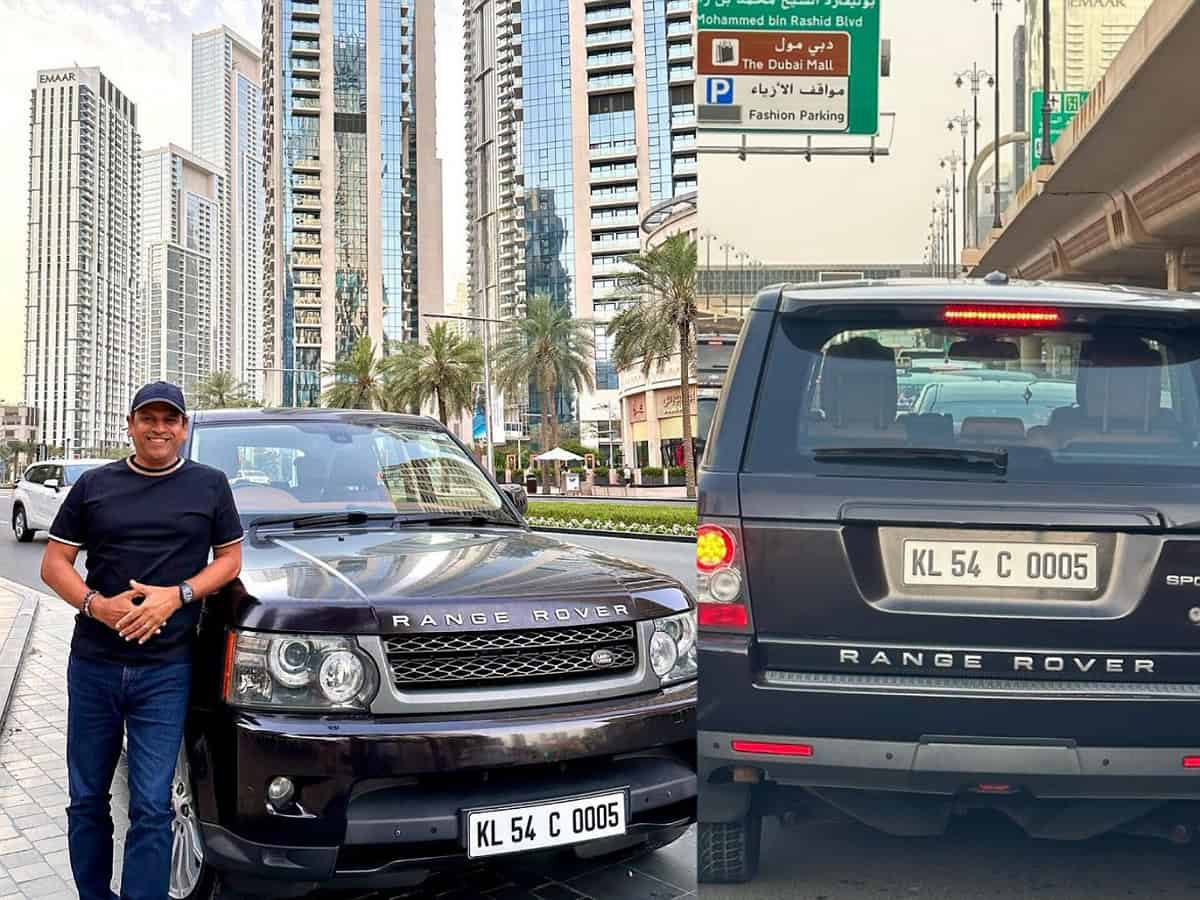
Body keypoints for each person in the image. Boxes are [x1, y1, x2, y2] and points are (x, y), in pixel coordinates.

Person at [40, 382, 244, 900]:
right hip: (93, 666)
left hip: (165, 671)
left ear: (182, 428)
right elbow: (54, 563)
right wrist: (96, 606)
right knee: (86, 797)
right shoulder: (94, 486)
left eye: (169, 419)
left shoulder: (210, 485)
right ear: (130, 425)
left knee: (153, 805)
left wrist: (176, 596)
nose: (159, 428)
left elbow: (229, 560)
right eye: (148, 418)